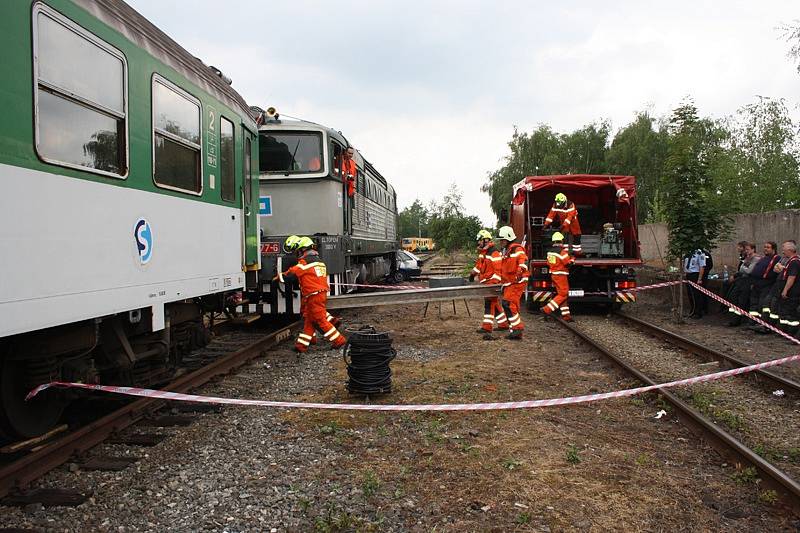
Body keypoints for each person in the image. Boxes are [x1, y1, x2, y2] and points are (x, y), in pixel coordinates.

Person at [280, 236, 346, 352]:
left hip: (313, 295)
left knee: (320, 320)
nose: (297, 254)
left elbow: (293, 272)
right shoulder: (319, 262)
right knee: (309, 319)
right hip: (318, 294)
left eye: (298, 251)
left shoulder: (305, 263)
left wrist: (278, 277)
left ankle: (339, 340)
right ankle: (302, 345)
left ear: (303, 250)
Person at [469, 229, 507, 337]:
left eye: (480, 240)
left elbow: (498, 271)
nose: (478, 243)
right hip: (486, 282)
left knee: (489, 304)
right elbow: (479, 266)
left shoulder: (494, 252)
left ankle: (487, 327)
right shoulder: (483, 253)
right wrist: (472, 274)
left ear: (486, 240)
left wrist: (493, 285)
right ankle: (503, 324)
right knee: (494, 304)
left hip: (491, 283)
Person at [497, 226, 528, 340]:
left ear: (508, 238)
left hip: (517, 282)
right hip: (510, 282)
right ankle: (515, 329)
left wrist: (520, 271)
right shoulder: (507, 251)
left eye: (502, 240)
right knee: (511, 305)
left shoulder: (517, 249)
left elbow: (523, 261)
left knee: (508, 304)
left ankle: (517, 329)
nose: (501, 242)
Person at [541, 232, 575, 321]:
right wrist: (572, 259)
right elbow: (567, 264)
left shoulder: (550, 252)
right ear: (562, 241)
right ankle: (546, 309)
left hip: (554, 274)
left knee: (561, 294)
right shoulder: (562, 251)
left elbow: (548, 263)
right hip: (561, 275)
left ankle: (566, 316)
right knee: (564, 294)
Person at [725, 242, 760, 326]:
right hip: (742, 280)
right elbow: (741, 269)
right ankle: (733, 318)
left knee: (742, 300)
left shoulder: (756, 258)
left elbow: (749, 271)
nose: (746, 251)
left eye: (748, 249)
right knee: (733, 296)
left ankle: (737, 320)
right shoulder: (746, 258)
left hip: (748, 281)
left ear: (753, 249)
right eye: (746, 249)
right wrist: (744, 266)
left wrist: (744, 265)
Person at [773, 241, 800, 338]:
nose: (783, 252)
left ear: (790, 250)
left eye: (784, 249)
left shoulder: (795, 262)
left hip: (792, 293)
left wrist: (785, 290)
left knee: (790, 314)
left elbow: (791, 277)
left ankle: (791, 333)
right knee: (784, 313)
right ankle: (784, 332)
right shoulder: (790, 261)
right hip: (789, 291)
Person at [683, 248, 708, 319]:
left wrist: (699, 278)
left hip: (695, 275)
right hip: (688, 275)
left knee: (696, 295)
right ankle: (692, 310)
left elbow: (702, 266)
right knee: (690, 294)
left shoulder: (700, 253)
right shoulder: (688, 252)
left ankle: (698, 312)